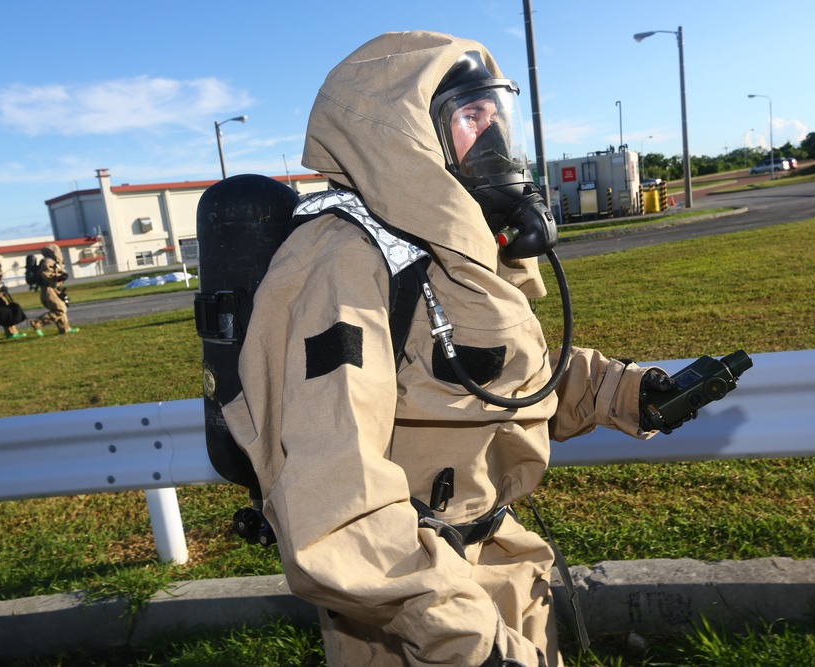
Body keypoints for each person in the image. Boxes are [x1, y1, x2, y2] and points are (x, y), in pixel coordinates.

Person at [222, 31, 695, 666]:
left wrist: (627, 394)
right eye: (471, 116)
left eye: (496, 112)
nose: (494, 133)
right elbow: (334, 493)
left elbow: (490, 378)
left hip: (500, 566)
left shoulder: (449, 249)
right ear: (406, 131)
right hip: (411, 613)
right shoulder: (340, 262)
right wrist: (462, 642)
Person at [29, 243, 79, 336]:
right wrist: (58, 277)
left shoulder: (53, 262)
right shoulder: (48, 261)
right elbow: (45, 273)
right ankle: (38, 323)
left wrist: (61, 276)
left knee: (60, 307)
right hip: (48, 290)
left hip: (54, 289)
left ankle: (65, 328)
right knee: (60, 310)